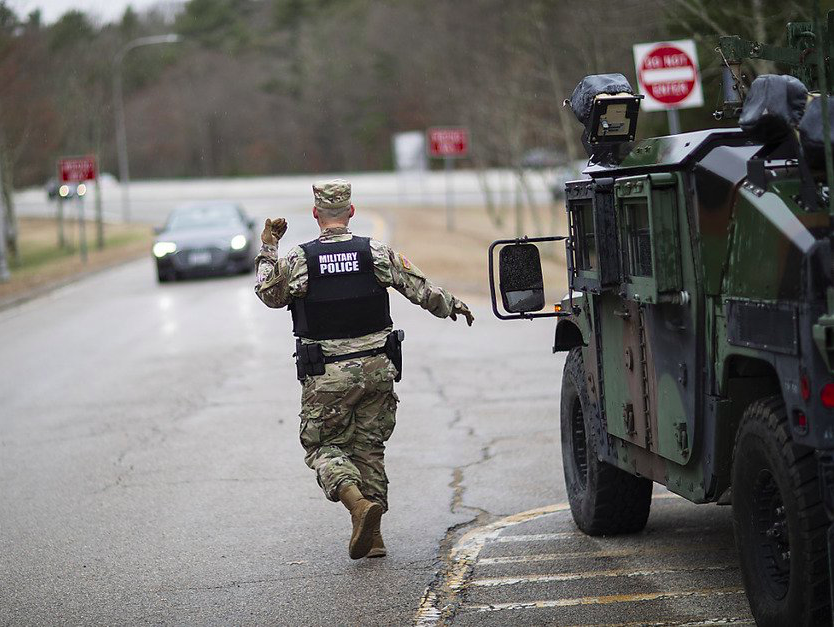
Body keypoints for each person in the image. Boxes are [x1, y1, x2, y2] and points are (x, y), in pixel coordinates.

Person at [254, 179, 474, 559]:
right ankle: (374, 539)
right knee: (369, 448)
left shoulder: (299, 259)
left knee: (322, 446)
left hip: (328, 375)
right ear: (351, 212)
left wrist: (269, 247)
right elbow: (420, 288)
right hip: (378, 369)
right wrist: (455, 305)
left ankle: (358, 507)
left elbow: (268, 293)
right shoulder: (375, 252)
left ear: (315, 214)